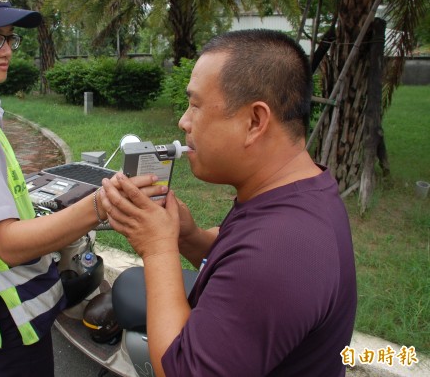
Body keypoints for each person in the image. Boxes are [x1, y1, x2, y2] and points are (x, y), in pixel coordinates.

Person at [0, 0, 159, 375]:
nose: (7, 49)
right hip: (5, 303)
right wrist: (99, 204)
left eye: (9, 38)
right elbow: (8, 245)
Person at [100, 29, 357, 376]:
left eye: (195, 106)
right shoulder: (301, 191)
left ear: (254, 122)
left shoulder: (279, 251)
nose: (183, 122)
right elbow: (234, 252)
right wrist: (186, 236)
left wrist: (158, 248)